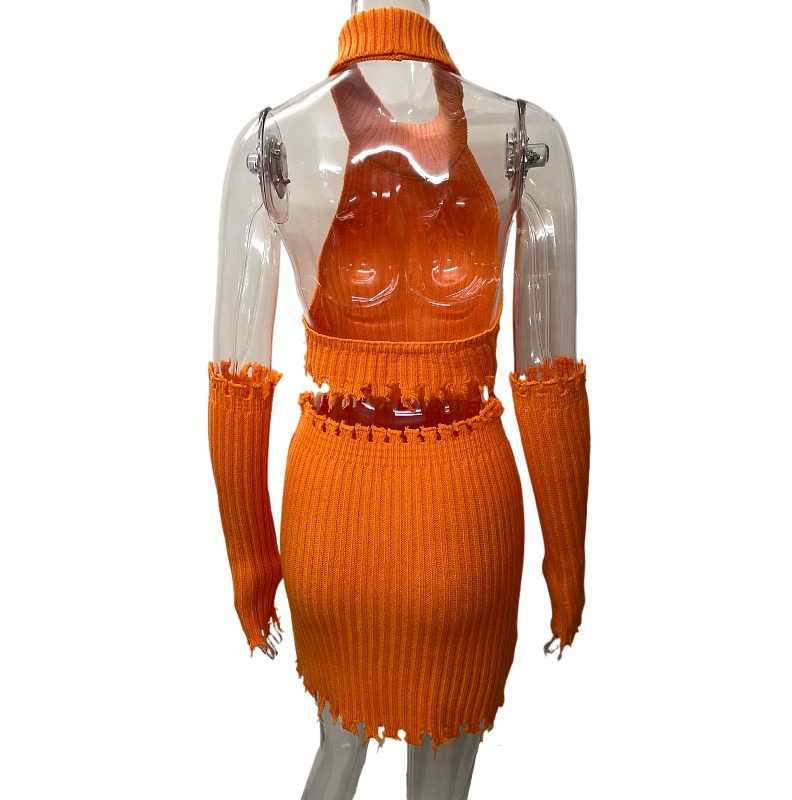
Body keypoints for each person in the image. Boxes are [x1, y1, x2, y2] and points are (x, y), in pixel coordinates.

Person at [207, 2, 591, 798]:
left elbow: (236, 386)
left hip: (331, 527)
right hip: (464, 527)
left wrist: (251, 568)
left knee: (336, 752)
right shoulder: (527, 136)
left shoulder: (270, 141)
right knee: (442, 778)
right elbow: (548, 381)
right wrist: (567, 564)